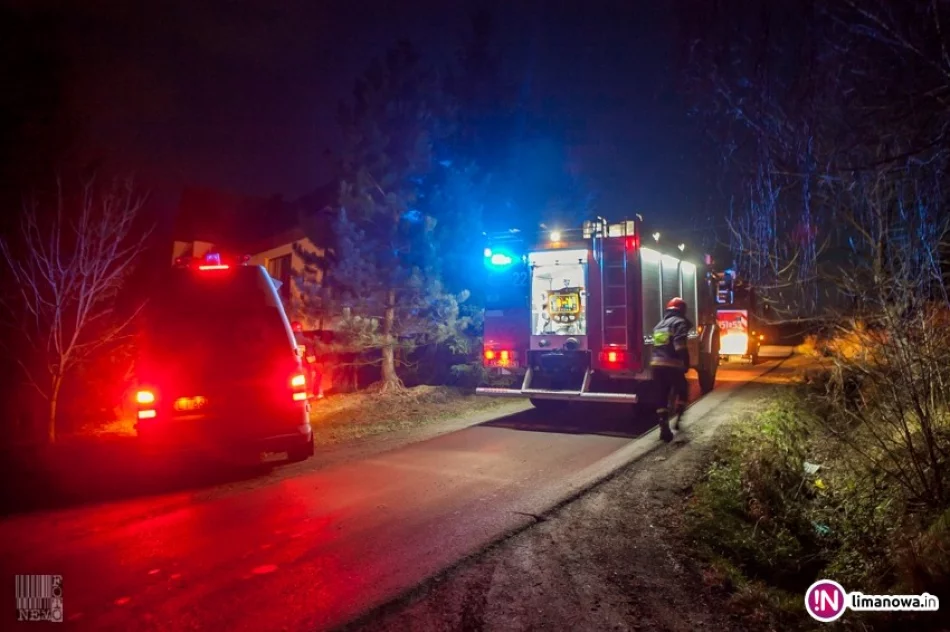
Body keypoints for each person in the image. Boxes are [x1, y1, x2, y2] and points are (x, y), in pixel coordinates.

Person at [650, 297, 692, 442]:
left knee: (661, 395)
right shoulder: (679, 323)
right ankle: (679, 419)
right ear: (682, 311)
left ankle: (664, 428)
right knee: (683, 389)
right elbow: (680, 345)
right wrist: (686, 363)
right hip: (672, 365)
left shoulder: (659, 325)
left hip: (656, 365)